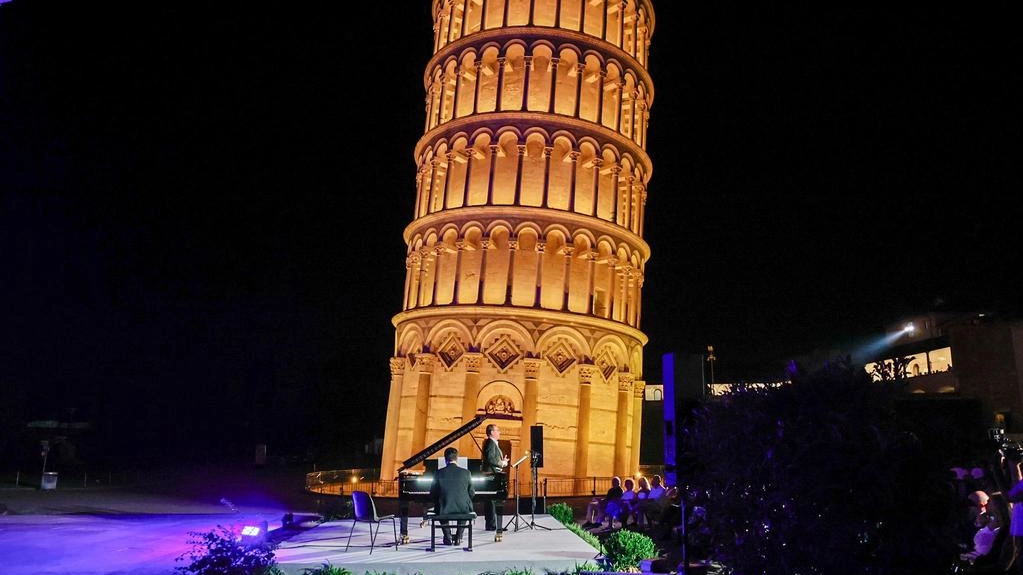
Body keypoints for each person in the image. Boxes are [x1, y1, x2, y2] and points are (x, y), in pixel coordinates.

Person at [429, 446, 475, 546]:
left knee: (441, 506)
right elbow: (472, 492)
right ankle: (459, 537)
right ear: (457, 458)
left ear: (445, 459)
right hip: (462, 508)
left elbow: (433, 493)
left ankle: (447, 537)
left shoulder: (438, 473)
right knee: (464, 505)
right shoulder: (467, 473)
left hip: (444, 507)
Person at [481, 423, 510, 531]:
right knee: (491, 501)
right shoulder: (490, 443)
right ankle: (491, 524)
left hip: (493, 475)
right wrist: (502, 463)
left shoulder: (493, 443)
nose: (499, 432)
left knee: (492, 500)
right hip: (491, 475)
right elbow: (490, 459)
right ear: (492, 432)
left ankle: (492, 524)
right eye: (497, 430)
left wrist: (503, 462)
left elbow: (492, 458)